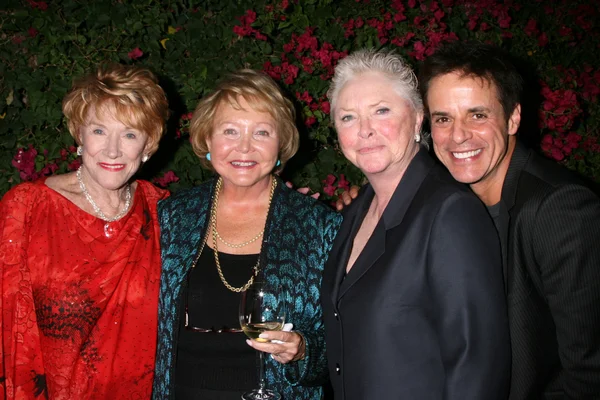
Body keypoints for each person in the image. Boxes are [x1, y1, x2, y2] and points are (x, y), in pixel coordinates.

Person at [321, 49, 510, 399]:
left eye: (381, 111)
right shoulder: (353, 213)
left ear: (418, 118)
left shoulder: (450, 212)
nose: (364, 130)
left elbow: (478, 366)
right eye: (348, 117)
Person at [419, 41, 600, 399]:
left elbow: (589, 374)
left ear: (513, 117)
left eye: (477, 114)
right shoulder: (451, 201)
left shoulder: (560, 208)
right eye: (443, 119)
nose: (458, 135)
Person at [152, 69, 342, 400]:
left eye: (261, 133)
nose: (244, 147)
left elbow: (345, 342)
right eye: (230, 131)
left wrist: (304, 350)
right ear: (208, 140)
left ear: (281, 143)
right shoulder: (172, 216)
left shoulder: (319, 227)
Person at [0, 64, 169, 399]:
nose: (112, 150)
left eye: (130, 134)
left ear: (148, 145)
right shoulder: (27, 208)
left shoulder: (163, 212)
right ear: (79, 134)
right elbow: (8, 331)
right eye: (99, 131)